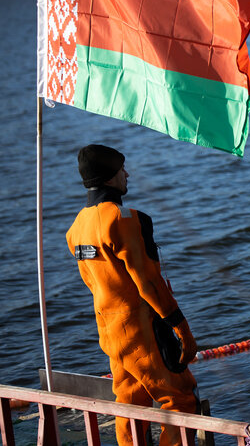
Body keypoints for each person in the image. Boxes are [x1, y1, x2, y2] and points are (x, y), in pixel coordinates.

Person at [66, 144, 199, 446]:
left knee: (129, 404)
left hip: (110, 333)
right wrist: (182, 330)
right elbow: (148, 284)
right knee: (181, 400)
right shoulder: (126, 220)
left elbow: (91, 282)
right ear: (110, 176)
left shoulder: (76, 229)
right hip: (143, 330)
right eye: (121, 169)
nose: (127, 174)